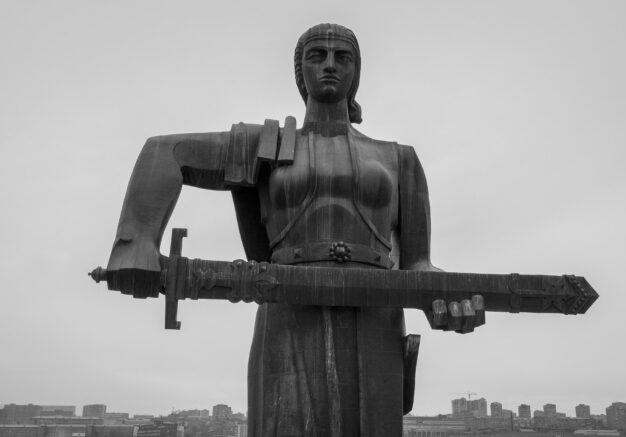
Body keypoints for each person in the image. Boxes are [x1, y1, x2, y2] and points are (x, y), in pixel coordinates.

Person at [106, 23, 484, 437]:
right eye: (316, 56)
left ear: (356, 72)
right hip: (287, 307)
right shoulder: (267, 144)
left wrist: (447, 299)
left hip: (376, 315)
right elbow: (166, 152)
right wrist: (135, 243)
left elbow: (418, 266)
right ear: (299, 72)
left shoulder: (399, 159)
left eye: (342, 57)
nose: (329, 65)